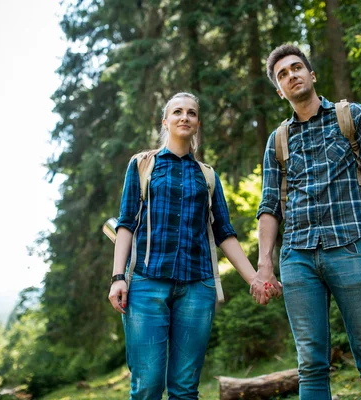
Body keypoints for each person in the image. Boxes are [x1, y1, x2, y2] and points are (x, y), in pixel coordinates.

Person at [108, 92, 281, 399]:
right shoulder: (141, 166)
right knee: (147, 386)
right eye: (177, 112)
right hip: (147, 285)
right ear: (166, 121)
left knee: (185, 389)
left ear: (198, 123)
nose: (184, 117)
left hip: (197, 290)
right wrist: (118, 277)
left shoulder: (208, 176)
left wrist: (254, 277)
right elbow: (126, 223)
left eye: (191, 113)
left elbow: (224, 233)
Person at [253, 45, 361, 399]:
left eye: (296, 68)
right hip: (298, 259)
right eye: (283, 74)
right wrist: (265, 264)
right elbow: (269, 205)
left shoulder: (354, 116)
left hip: (353, 247)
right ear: (279, 89)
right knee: (311, 368)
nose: (292, 76)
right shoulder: (277, 141)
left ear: (311, 74)